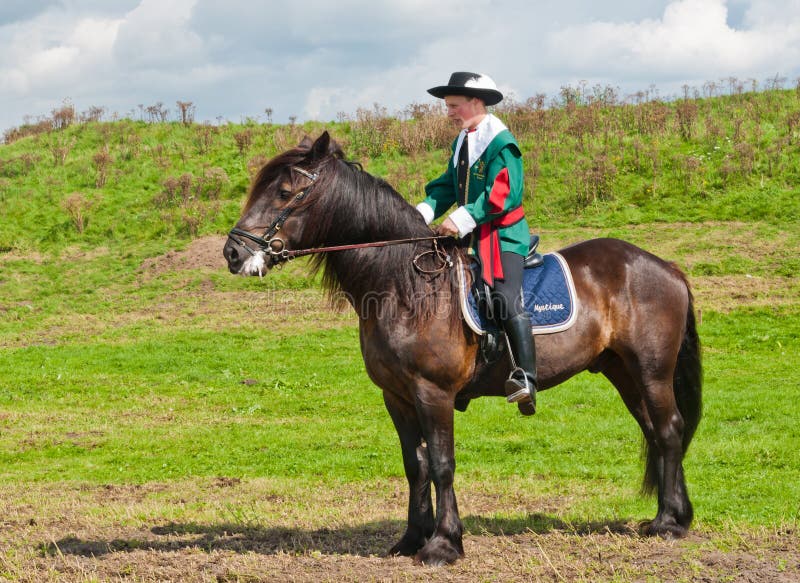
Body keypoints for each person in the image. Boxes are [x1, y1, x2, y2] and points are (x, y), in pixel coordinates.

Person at [416, 71, 537, 415]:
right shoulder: (464, 141)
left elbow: (503, 194)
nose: (449, 112)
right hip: (473, 236)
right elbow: (447, 186)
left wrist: (463, 217)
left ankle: (526, 378)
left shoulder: (501, 141)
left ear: (475, 102)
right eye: (448, 106)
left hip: (504, 237)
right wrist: (422, 213)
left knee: (503, 295)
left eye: (454, 105)